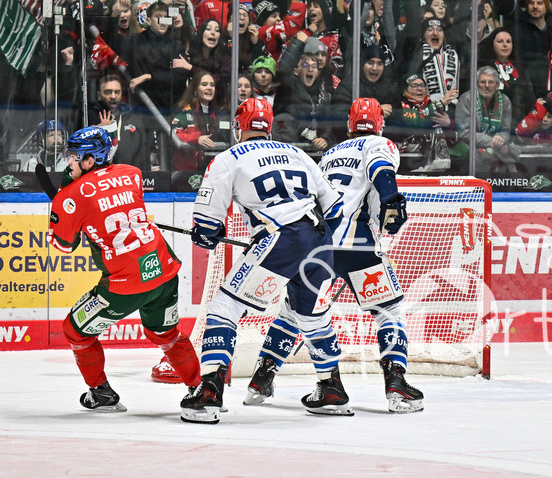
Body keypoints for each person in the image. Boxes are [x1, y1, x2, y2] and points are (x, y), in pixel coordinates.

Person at [244, 97, 424, 413]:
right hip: (360, 249)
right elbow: (380, 169)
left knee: (294, 311)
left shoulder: (329, 153)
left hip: (320, 246)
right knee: (389, 312)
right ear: (379, 123)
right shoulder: (379, 143)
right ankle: (396, 384)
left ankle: (262, 378)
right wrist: (392, 199)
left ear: (349, 125)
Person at [180, 97, 346, 423]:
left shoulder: (228, 159)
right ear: (268, 125)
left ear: (240, 126)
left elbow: (208, 224)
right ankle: (332, 389)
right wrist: (315, 243)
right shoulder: (298, 153)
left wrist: (206, 234)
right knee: (309, 315)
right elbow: (336, 210)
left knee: (224, 309)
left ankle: (210, 390)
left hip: (278, 238)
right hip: (318, 241)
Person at [47, 127, 200, 411]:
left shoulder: (72, 194)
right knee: (165, 334)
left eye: (73, 157)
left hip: (124, 285)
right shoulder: (132, 173)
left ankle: (101, 393)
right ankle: (200, 389)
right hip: (164, 270)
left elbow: (63, 246)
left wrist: (62, 197)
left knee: (75, 330)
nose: (68, 162)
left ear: (90, 160)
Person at [452, 66, 519, 174]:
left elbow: (506, 130)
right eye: (483, 82)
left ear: (497, 85)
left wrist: (501, 138)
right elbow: (464, 132)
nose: (487, 86)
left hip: (497, 146)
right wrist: (492, 142)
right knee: (474, 155)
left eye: (491, 82)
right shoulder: (466, 99)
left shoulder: (505, 101)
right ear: (476, 84)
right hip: (472, 146)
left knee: (513, 151)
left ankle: (511, 186)